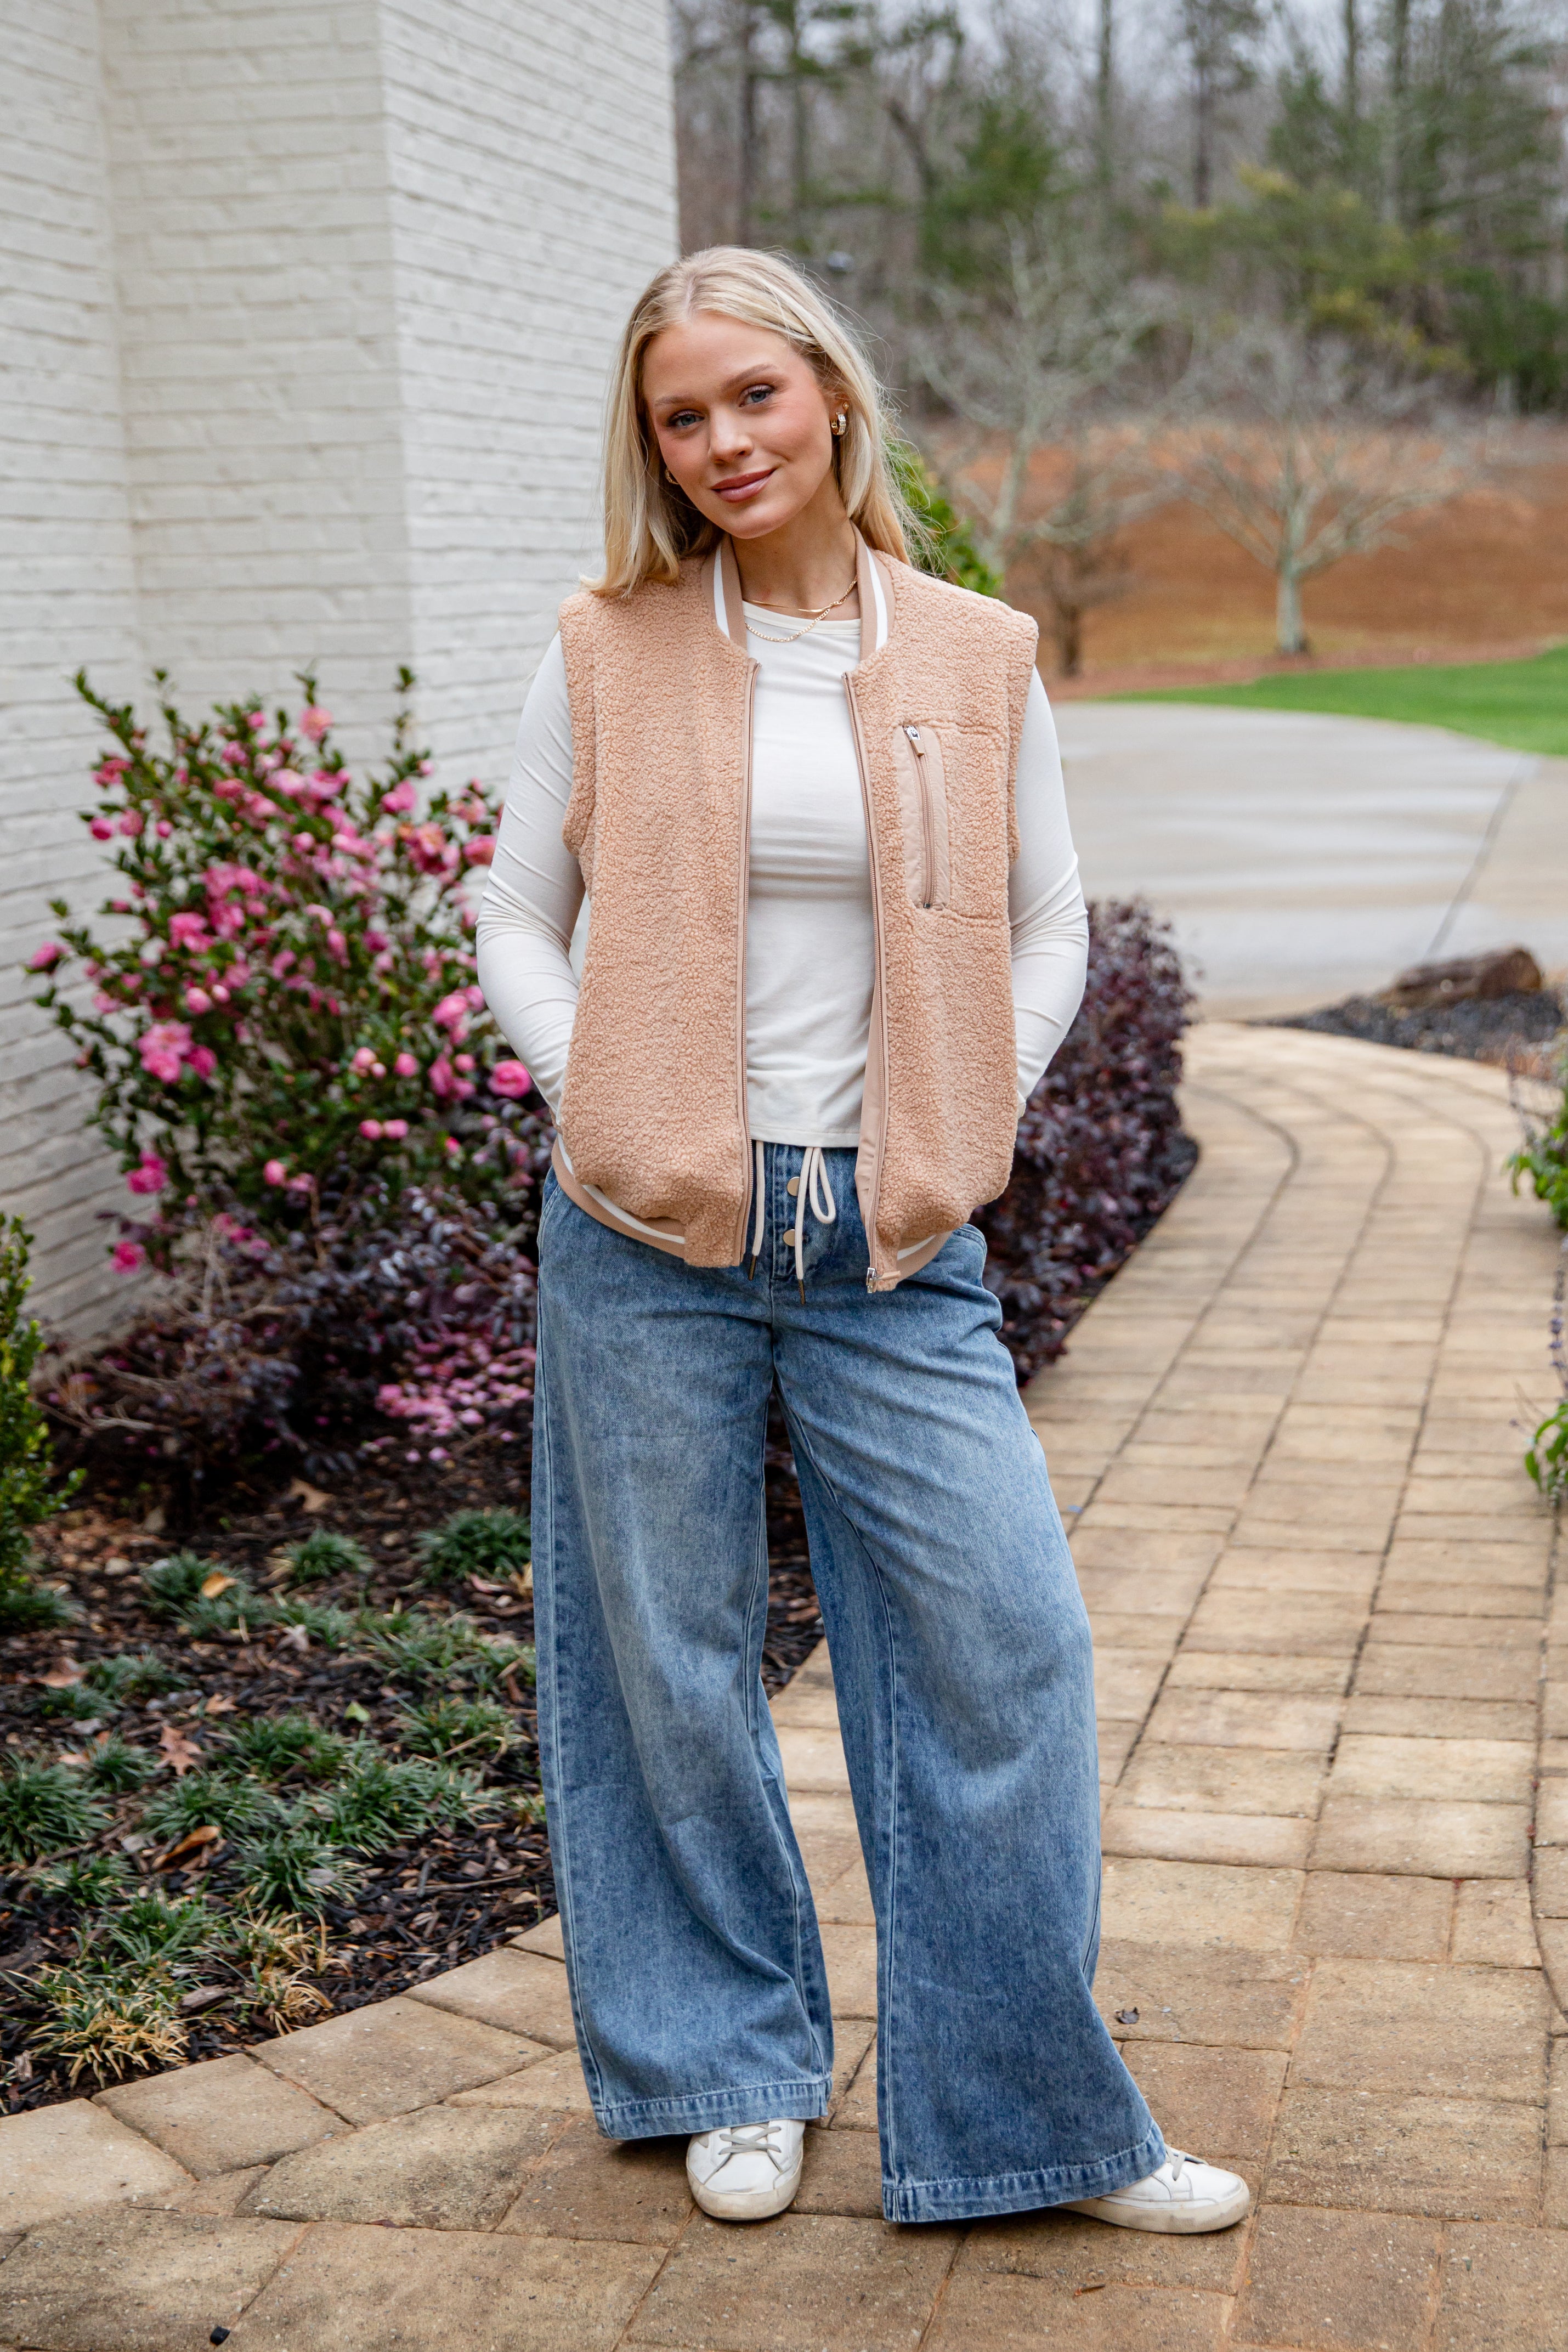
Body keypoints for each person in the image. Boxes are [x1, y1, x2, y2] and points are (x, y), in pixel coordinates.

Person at [476, 246, 1249, 2235]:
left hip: (892, 1242)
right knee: (668, 1655)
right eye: (680, 414)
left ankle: (1025, 2120)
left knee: (1006, 1650)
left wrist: (966, 1114)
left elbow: (1047, 921)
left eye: (753, 395)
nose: (722, 440)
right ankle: (723, 2063)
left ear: (829, 396)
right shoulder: (605, 643)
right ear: (650, 444)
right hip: (646, 1233)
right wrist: (604, 1104)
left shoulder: (976, 654)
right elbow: (513, 917)